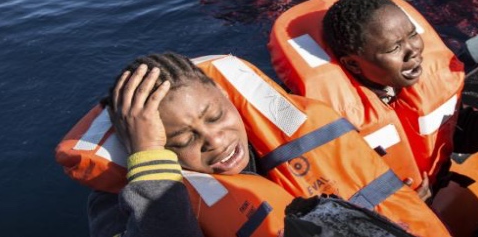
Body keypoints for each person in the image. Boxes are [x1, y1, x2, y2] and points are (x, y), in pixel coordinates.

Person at [80, 53, 452, 237]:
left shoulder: (292, 125)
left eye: (215, 117)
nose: (215, 140)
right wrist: (149, 161)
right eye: (182, 140)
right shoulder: (123, 206)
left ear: (227, 98)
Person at [321, 0, 478, 194]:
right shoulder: (330, 124)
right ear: (353, 64)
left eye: (412, 36)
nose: (413, 51)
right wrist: (397, 208)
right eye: (395, 47)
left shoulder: (410, 86)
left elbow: (466, 134)